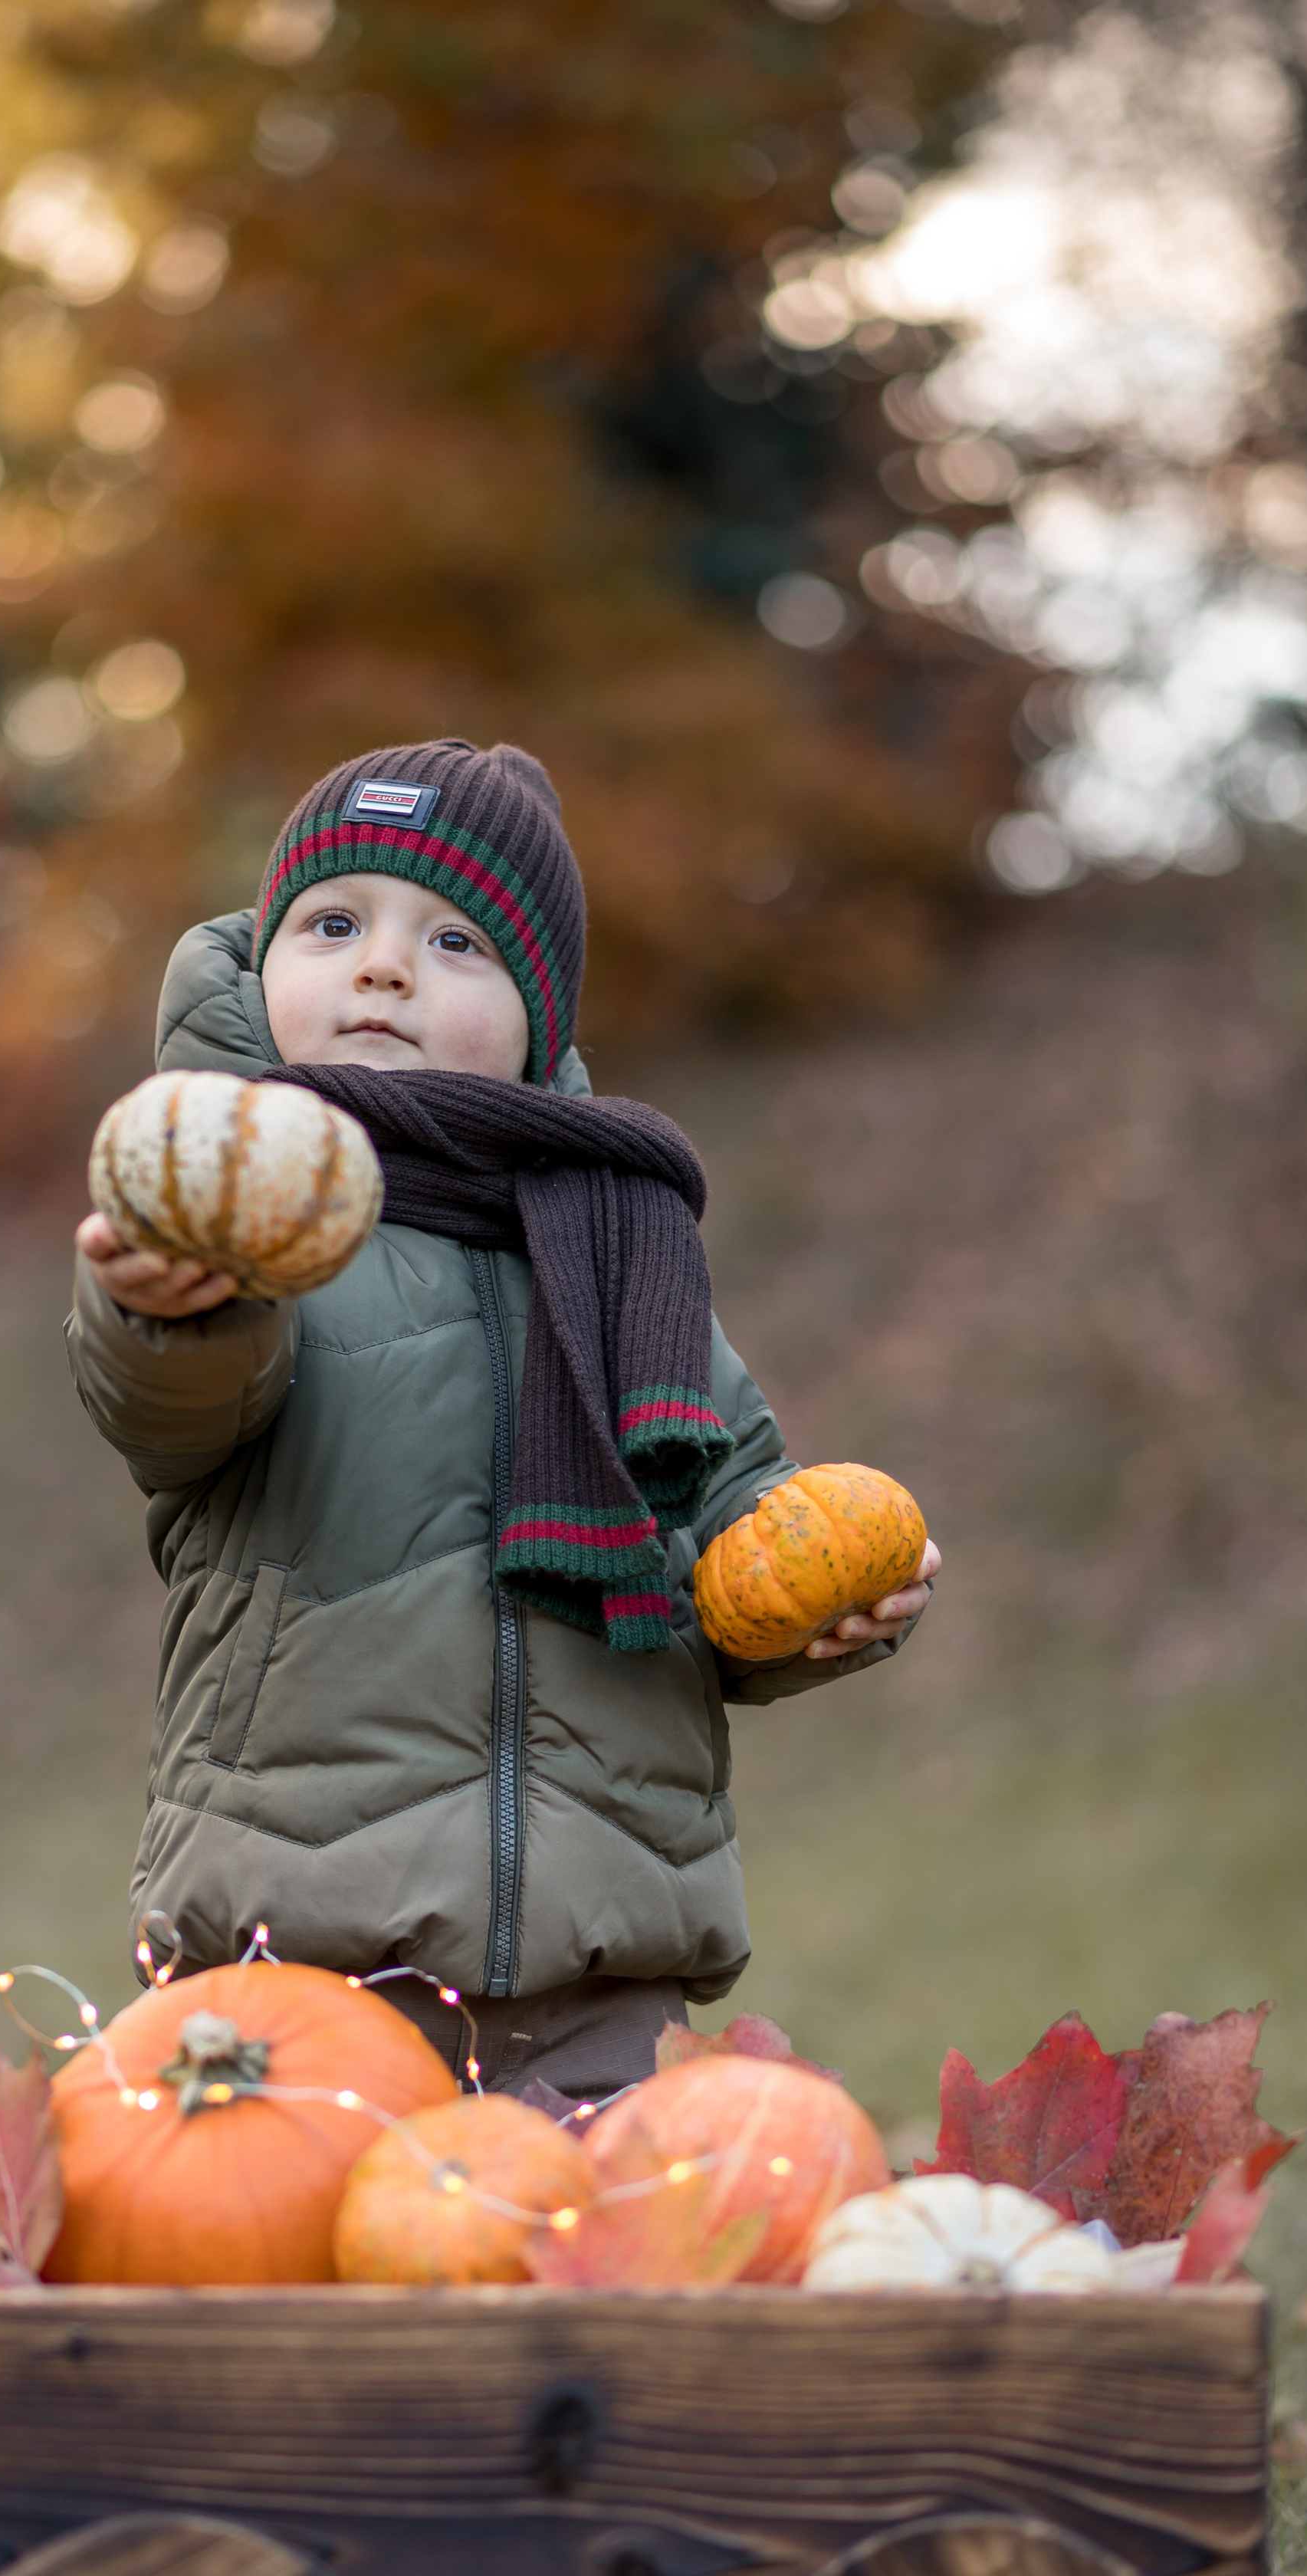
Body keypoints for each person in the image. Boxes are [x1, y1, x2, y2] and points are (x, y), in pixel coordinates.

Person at [66, 738, 938, 2102]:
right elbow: (172, 1410)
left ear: (541, 1017)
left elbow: (725, 1523)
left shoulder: (618, 1244)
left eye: (456, 941)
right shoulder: (244, 1227)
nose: (383, 967)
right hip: (302, 1940)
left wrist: (818, 1607)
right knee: (293, 2227)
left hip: (601, 1963)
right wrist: (173, 1305)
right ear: (261, 963)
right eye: (334, 924)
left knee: (606, 2235)